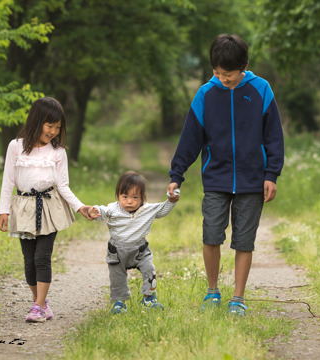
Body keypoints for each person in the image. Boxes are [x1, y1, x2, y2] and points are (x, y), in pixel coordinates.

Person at [166, 34, 284, 316]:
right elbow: (190, 139)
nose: (222, 79)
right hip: (216, 178)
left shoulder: (261, 90)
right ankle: (212, 291)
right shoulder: (206, 93)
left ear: (244, 65)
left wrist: (271, 174)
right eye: (216, 72)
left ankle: (238, 298)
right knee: (211, 235)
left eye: (228, 73)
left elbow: (274, 137)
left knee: (244, 240)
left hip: (252, 180)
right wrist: (176, 174)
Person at [0, 96, 94, 322]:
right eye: (49, 125)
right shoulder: (16, 146)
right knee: (29, 260)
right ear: (36, 121)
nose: (53, 131)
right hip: (23, 207)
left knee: (42, 257)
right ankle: (39, 302)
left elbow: (63, 186)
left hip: (50, 207)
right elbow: (8, 181)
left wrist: (80, 207)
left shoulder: (58, 152)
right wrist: (4, 210)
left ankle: (38, 306)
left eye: (57, 127)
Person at [89, 171, 178, 314]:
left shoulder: (147, 209)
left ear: (142, 197)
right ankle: (119, 302)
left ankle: (149, 297)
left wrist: (172, 201)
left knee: (150, 270)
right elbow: (102, 211)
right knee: (117, 277)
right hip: (117, 251)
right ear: (118, 195)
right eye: (125, 197)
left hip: (140, 250)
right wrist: (94, 211)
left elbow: (162, 210)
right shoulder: (113, 208)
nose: (129, 201)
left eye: (134, 197)